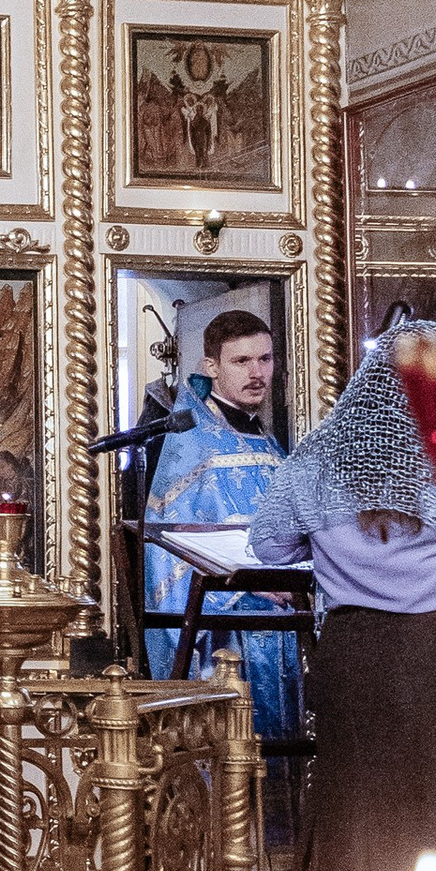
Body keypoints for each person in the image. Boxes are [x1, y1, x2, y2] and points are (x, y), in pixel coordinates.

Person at [247, 336, 436, 871]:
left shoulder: (313, 461)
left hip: (354, 662)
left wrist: (329, 561)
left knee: (366, 832)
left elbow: (266, 543)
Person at [140, 306, 298, 742]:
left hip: (279, 623)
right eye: (241, 361)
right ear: (211, 366)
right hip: (227, 634)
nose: (256, 372)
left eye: (264, 359)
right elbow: (168, 550)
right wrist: (247, 582)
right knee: (232, 756)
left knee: (279, 756)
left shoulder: (267, 441)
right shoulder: (190, 444)